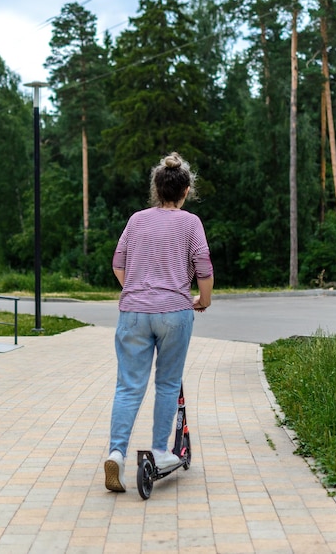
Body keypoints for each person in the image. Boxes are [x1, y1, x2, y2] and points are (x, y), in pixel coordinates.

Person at [104, 151, 214, 493]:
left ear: (156, 188)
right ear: (185, 191)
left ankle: (117, 453)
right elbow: (204, 267)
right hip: (174, 312)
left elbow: (118, 264)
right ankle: (160, 451)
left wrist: (136, 290)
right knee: (167, 383)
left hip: (134, 312)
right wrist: (203, 300)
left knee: (128, 386)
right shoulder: (190, 223)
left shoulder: (136, 220)